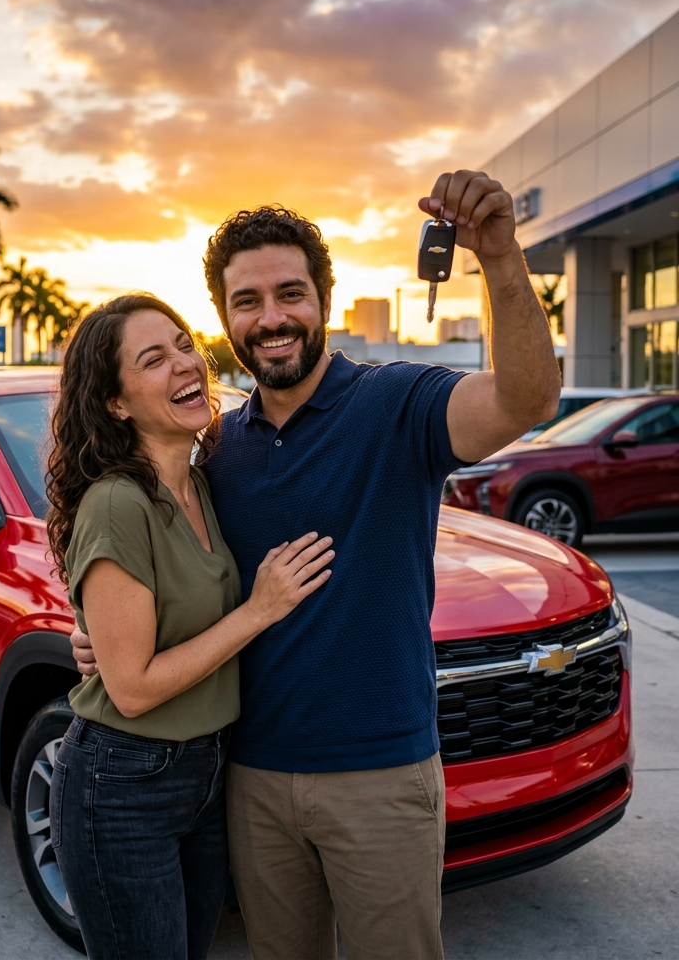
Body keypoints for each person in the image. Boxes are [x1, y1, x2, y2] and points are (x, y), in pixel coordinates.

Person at [71, 171, 561, 959]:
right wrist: (98, 635)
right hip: (248, 779)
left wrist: (500, 259)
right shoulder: (218, 450)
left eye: (290, 294)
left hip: (381, 776)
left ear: (324, 300)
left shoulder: (397, 405)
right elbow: (168, 574)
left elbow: (525, 401)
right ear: (225, 319)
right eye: (247, 302)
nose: (271, 320)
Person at [45, 294, 334, 960]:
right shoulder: (118, 501)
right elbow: (134, 690)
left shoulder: (199, 483)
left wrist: (96, 637)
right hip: (123, 781)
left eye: (182, 344)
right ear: (116, 403)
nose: (184, 363)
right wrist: (259, 610)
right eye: (154, 358)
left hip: (206, 771)